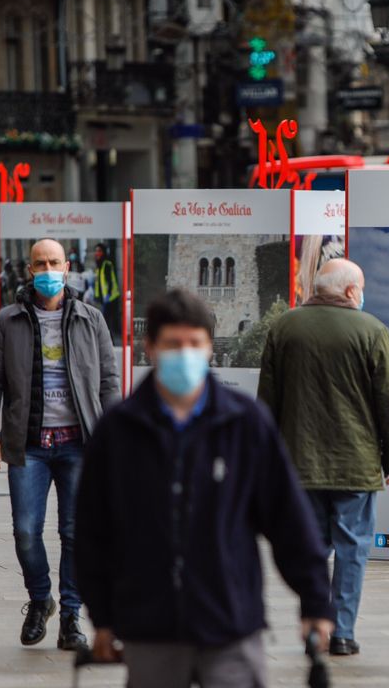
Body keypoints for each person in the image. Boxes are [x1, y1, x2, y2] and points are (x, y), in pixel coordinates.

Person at [78, 289, 334, 686]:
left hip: (229, 622)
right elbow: (93, 532)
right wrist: (103, 616)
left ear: (210, 347)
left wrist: (315, 599)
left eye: (194, 343)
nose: (185, 354)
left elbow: (288, 518)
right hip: (150, 626)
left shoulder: (245, 423)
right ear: (150, 347)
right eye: (173, 344)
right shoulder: (118, 430)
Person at [257, 258, 389, 657]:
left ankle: (314, 624)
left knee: (310, 549)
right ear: (351, 291)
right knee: (352, 549)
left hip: (298, 465)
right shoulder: (372, 331)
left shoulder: (284, 327)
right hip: (355, 465)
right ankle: (341, 633)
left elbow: (267, 402)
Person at [0, 238, 120, 651]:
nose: (47, 270)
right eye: (39, 263)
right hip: (29, 445)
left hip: (80, 444)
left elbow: (109, 382)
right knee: (26, 531)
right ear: (29, 269)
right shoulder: (8, 320)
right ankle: (41, 599)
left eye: (53, 262)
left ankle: (71, 616)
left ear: (67, 266)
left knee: (76, 533)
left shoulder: (91, 319)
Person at [92, 243, 121, 337]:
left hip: (111, 297)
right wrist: (97, 296)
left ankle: (109, 339)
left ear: (104, 252)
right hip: (104, 298)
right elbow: (98, 283)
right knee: (107, 321)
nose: (97, 253)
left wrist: (108, 294)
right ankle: (109, 338)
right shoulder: (99, 266)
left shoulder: (107, 264)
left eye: (99, 251)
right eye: (96, 251)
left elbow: (110, 281)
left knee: (108, 321)